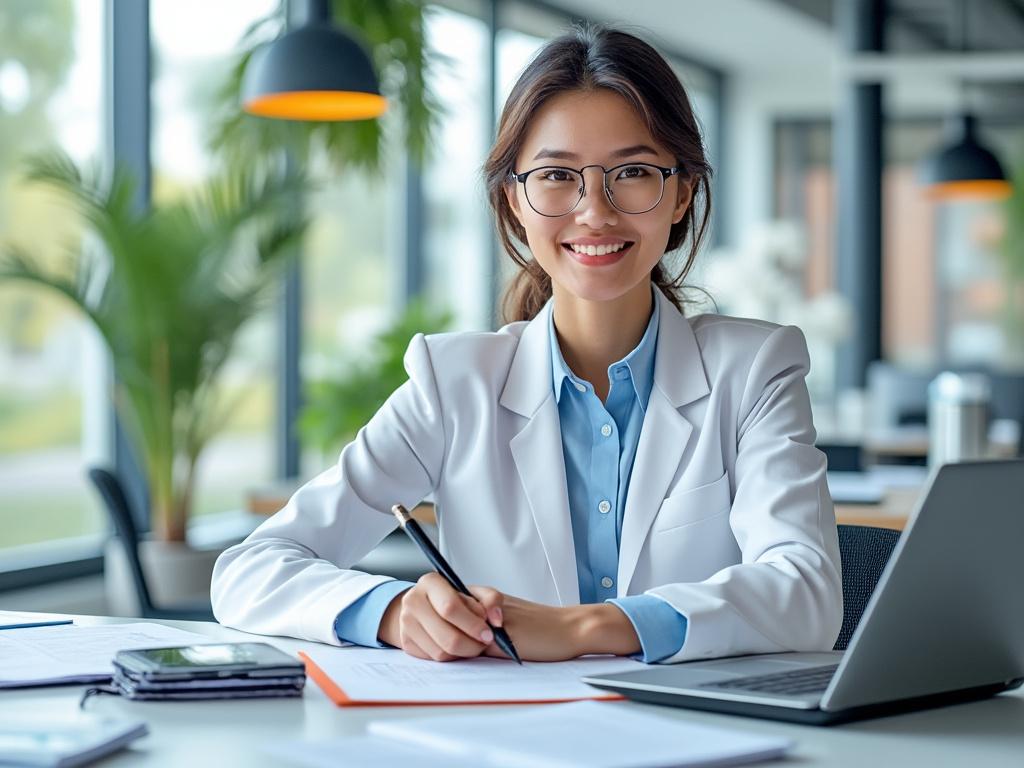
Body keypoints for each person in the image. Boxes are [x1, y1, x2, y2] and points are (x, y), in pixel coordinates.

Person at [211, 24, 842, 665]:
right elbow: (251, 571)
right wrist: (396, 612)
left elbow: (809, 595)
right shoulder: (454, 382)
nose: (594, 210)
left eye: (632, 172)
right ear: (514, 200)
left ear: (681, 192)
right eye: (557, 176)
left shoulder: (755, 370)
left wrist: (586, 629)